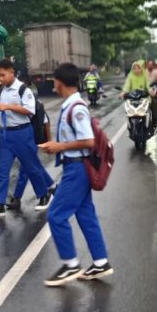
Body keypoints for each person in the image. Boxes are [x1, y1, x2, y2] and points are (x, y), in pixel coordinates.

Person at [38, 63, 112, 286]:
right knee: (85, 214)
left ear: (59, 82)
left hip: (77, 168)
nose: (53, 84)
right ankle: (100, 262)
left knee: (56, 215)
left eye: (53, 80)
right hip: (76, 166)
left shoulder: (76, 108)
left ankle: (71, 265)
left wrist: (59, 146)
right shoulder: (71, 105)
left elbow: (89, 141)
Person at [0, 58, 53, 218]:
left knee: (31, 166)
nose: (0, 79)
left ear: (11, 72)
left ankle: (44, 195)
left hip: (22, 132)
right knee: (2, 170)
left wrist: (8, 106)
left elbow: (30, 111)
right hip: (5, 134)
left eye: (3, 75)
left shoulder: (23, 90)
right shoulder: (0, 91)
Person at [9, 109, 57, 212]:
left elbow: (45, 122)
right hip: (23, 140)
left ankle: (18, 197)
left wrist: (49, 141)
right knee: (33, 165)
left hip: (32, 140)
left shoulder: (34, 103)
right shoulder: (17, 102)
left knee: (26, 168)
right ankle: (52, 186)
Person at [121, 60, 157, 128]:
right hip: (133, 97)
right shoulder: (130, 76)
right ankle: (130, 124)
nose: (136, 70)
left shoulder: (146, 75)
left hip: (144, 96)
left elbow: (148, 85)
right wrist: (124, 92)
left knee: (154, 102)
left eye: (138, 68)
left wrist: (150, 90)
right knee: (126, 105)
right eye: (134, 68)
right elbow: (127, 86)